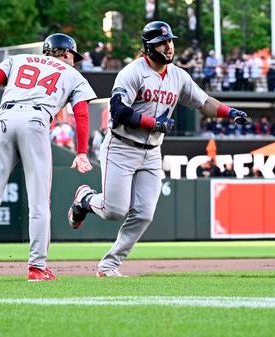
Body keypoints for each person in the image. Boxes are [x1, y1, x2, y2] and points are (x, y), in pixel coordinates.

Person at [67, 21, 247, 277]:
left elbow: (204, 102)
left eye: (170, 41)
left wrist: (230, 113)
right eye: (162, 43)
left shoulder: (178, 76)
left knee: (144, 214)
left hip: (152, 151)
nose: (169, 46)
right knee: (114, 211)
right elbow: (117, 112)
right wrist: (153, 122)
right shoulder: (132, 72)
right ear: (148, 48)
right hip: (121, 147)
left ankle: (109, 265)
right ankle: (84, 199)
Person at [0, 33, 97, 282]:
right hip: (36, 122)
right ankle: (37, 267)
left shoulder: (18, 59)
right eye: (74, 57)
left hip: (5, 118)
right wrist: (81, 151)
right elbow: (81, 113)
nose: (74, 61)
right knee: (38, 201)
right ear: (67, 53)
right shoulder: (72, 74)